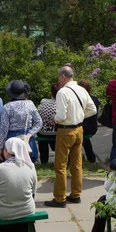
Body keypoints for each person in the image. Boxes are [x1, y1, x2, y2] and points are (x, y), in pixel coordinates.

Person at [45, 67, 97, 208]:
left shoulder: (62, 92)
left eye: (58, 77)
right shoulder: (82, 89)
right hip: (79, 129)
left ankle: (60, 198)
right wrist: (78, 116)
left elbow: (61, 116)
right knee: (76, 163)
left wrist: (54, 119)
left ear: (63, 76)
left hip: (66, 131)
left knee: (60, 166)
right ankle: (75, 194)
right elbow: (93, 109)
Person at [0, 137, 38, 232]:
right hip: (26, 209)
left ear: (8, 151)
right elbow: (33, 190)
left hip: (3, 212)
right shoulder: (30, 167)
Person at [0, 80, 42, 162]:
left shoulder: (7, 107)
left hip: (11, 140)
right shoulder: (30, 104)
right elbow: (39, 123)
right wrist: (30, 134)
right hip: (27, 138)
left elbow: (4, 129)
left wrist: (1, 147)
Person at [37, 83, 61, 165]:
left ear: (51, 93)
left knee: (42, 134)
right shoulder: (60, 105)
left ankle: (44, 161)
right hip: (55, 133)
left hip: (41, 132)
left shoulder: (43, 101)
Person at [78, 79, 100, 163]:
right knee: (84, 139)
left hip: (83, 127)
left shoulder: (79, 100)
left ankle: (75, 158)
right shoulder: (94, 98)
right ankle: (91, 158)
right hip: (93, 127)